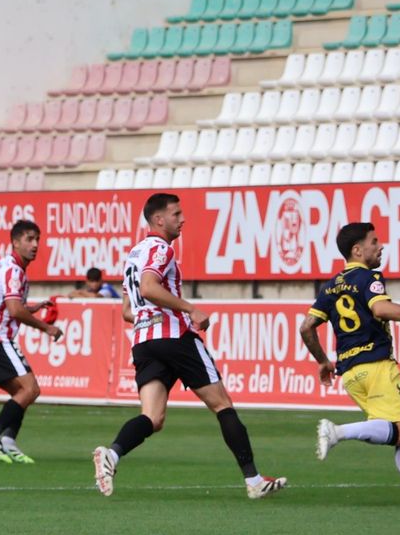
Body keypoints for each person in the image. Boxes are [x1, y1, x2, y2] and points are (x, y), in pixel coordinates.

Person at [93, 192, 286, 499]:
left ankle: (112, 455)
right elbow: (149, 287)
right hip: (174, 338)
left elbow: (129, 310)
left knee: (152, 418)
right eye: (176, 214)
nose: (182, 219)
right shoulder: (162, 250)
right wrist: (189, 309)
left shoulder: (133, 254)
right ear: (159, 220)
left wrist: (152, 313)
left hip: (144, 341)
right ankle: (253, 480)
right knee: (222, 404)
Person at [302, 222, 400, 507]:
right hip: (377, 364)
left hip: (350, 374)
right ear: (357, 250)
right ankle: (337, 432)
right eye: (374, 241)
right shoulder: (368, 277)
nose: (380, 246)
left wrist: (323, 361)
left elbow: (307, 326)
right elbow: (380, 309)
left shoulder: (330, 286)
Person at [0, 219, 63, 464]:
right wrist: (47, 328)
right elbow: (14, 310)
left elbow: (9, 306)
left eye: (37, 240)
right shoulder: (14, 270)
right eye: (29, 239)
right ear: (15, 242)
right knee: (30, 389)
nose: (35, 245)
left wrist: (33, 308)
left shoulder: (7, 267)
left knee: (22, 393)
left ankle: (8, 441)